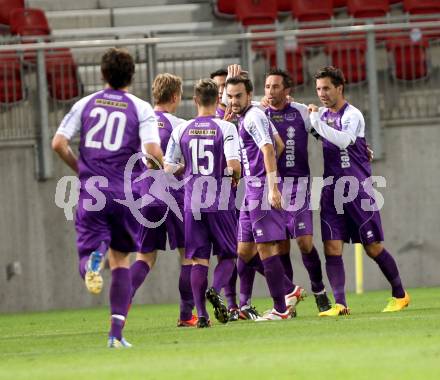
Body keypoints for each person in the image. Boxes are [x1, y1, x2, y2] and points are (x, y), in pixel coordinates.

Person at [52, 48, 163, 347]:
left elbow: (59, 143)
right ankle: (115, 335)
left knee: (92, 256)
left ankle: (92, 261)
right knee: (121, 261)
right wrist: (160, 169)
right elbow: (153, 152)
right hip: (125, 194)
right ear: (132, 75)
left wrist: (81, 168)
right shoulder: (141, 108)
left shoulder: (85, 104)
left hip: (92, 191)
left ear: (102, 74)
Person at [308, 66, 410, 316]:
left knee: (372, 247)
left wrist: (314, 121)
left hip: (357, 190)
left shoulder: (352, 115)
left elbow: (344, 140)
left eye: (326, 88)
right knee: (332, 247)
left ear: (339, 87)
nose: (322, 93)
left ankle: (400, 294)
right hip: (332, 190)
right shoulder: (321, 115)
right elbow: (290, 109)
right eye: (318, 89)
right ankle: (340, 304)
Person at [164, 78, 241, 328]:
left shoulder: (182, 129)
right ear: (217, 100)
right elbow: (234, 166)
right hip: (219, 200)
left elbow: (167, 167)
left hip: (192, 201)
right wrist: (232, 179)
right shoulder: (226, 128)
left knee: (198, 261)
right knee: (228, 255)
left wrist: (185, 171)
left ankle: (202, 316)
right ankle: (216, 290)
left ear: (195, 100)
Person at [128, 73, 197, 327]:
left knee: (145, 258)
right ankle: (186, 315)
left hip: (146, 196)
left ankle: (123, 302)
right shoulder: (178, 124)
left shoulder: (139, 125)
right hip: (175, 197)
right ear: (176, 96)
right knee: (188, 256)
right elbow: (187, 161)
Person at [262, 68, 332, 313]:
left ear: (287, 90)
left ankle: (319, 289)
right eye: (267, 86)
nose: (271, 91)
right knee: (281, 246)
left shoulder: (301, 112)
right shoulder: (260, 114)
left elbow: (325, 134)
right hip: (273, 187)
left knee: (304, 242)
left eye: (276, 86)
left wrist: (358, 148)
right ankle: (288, 299)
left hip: (300, 186)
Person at [226, 75, 295, 321]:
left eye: (238, 96)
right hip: (252, 189)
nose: (233, 101)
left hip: (261, 189)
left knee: (265, 248)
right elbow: (279, 144)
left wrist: (272, 186)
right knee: (244, 251)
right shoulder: (251, 113)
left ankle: (280, 309)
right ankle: (290, 290)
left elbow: (268, 148)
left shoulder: (253, 116)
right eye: (230, 96)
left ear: (248, 95)